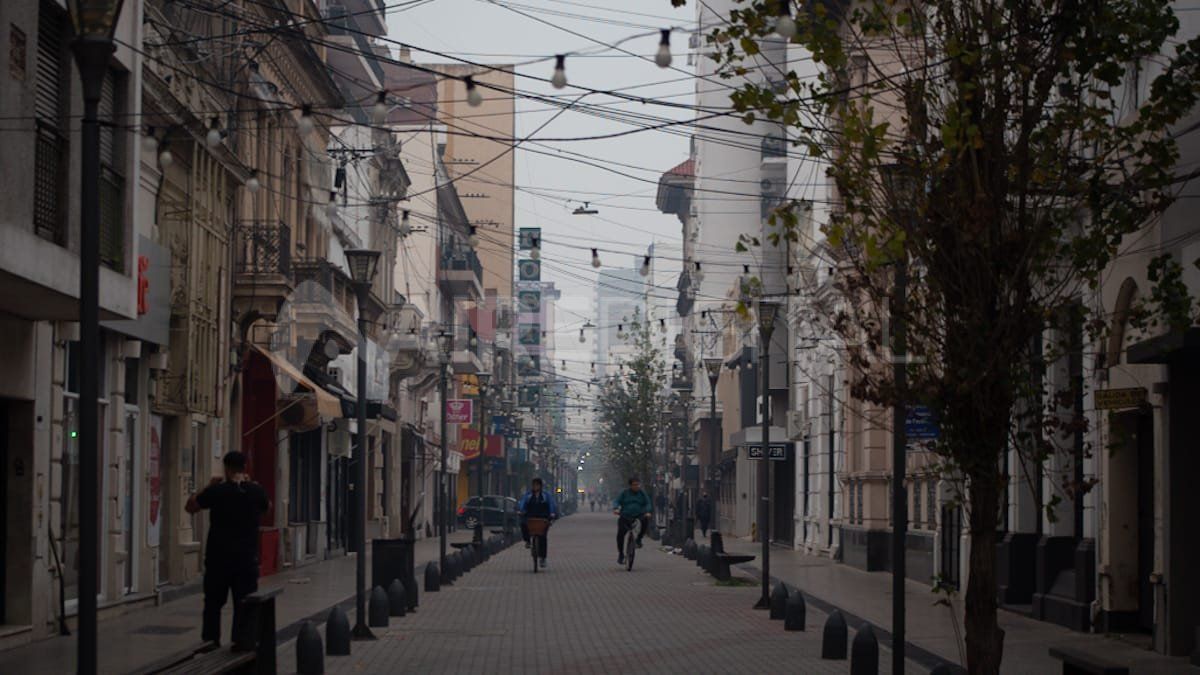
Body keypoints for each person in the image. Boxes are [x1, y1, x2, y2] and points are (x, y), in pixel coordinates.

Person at [185, 451, 269, 647]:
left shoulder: (217, 491)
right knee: (245, 604)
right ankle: (242, 642)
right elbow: (266, 509)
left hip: (218, 559)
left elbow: (191, 507)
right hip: (246, 560)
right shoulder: (256, 491)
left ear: (226, 468)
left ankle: (210, 643)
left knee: (213, 605)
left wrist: (209, 486)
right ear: (245, 467)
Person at [517, 477, 558, 569]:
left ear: (540, 486)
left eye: (537, 485)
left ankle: (543, 558)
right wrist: (521, 510)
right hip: (530, 516)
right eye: (534, 485)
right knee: (523, 524)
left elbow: (551, 504)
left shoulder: (545, 495)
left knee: (543, 537)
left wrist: (552, 513)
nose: (535, 487)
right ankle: (527, 541)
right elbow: (522, 503)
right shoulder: (528, 495)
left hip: (543, 518)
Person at [612, 477, 653, 565]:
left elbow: (648, 503)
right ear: (630, 485)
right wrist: (616, 508)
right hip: (625, 515)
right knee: (620, 534)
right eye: (634, 485)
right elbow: (616, 501)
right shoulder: (624, 493)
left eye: (638, 485)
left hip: (638, 515)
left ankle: (638, 539)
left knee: (645, 521)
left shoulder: (642, 493)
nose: (636, 486)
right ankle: (621, 554)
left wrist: (648, 511)